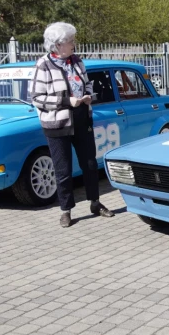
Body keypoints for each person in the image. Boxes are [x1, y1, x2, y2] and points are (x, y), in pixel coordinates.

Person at [30, 22, 115, 228]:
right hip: (57, 123)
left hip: (81, 118)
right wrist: (68, 101)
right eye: (70, 41)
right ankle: (66, 210)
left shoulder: (77, 61)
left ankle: (95, 203)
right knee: (63, 168)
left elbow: (86, 83)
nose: (73, 44)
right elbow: (37, 98)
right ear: (57, 45)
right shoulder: (43, 65)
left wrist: (86, 96)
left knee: (90, 163)